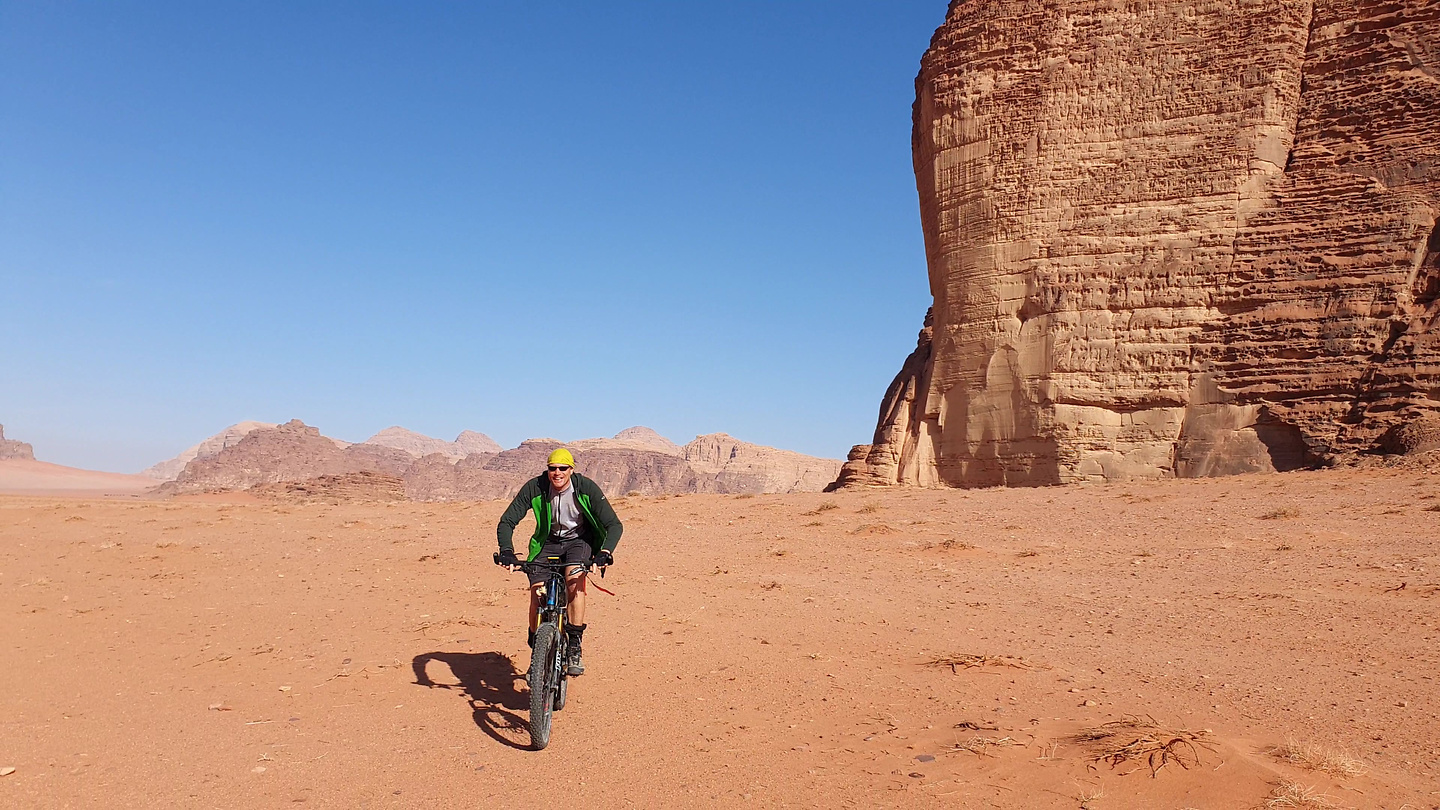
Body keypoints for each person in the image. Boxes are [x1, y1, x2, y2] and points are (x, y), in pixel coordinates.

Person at [495, 448, 622, 676]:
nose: (557, 473)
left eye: (562, 468)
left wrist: (604, 552)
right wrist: (507, 551)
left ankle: (574, 643)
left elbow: (614, 524)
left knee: (574, 579)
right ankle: (537, 646)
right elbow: (507, 521)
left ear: (571, 469)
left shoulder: (586, 488)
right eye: (552, 468)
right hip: (547, 541)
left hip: (578, 541)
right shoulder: (535, 487)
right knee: (537, 592)